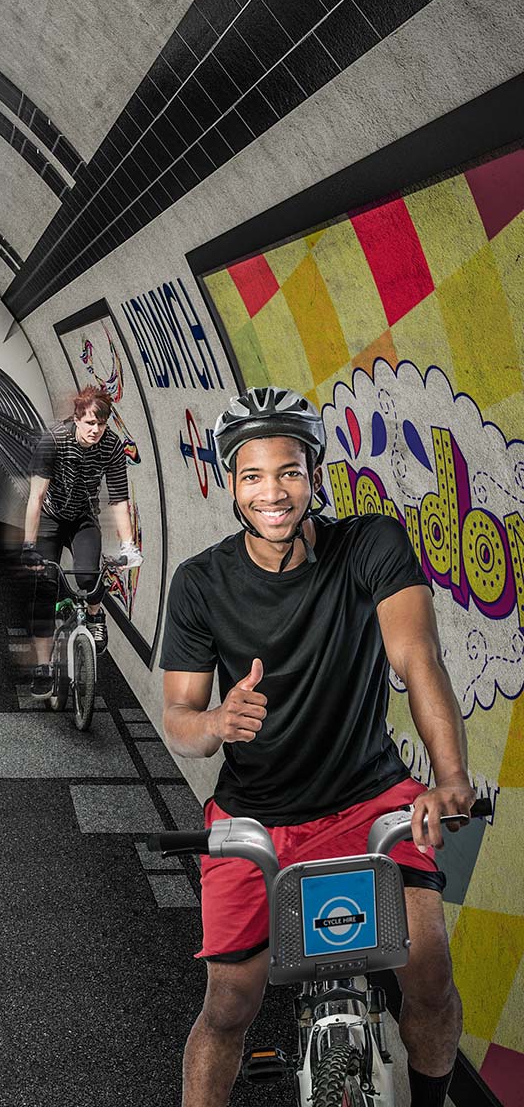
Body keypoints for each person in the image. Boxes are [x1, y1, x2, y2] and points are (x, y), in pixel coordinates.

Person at [159, 387, 477, 1107]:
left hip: (372, 801)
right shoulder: (200, 584)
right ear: (230, 483)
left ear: (315, 474)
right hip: (257, 816)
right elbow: (179, 713)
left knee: (427, 969)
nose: (272, 492)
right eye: (252, 476)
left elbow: (417, 657)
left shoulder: (371, 544)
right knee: (230, 1004)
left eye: (289, 471)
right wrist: (214, 723)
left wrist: (450, 777)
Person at [20, 385, 141, 695]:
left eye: (101, 424)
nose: (96, 430)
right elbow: (36, 496)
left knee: (89, 576)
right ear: (76, 419)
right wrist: (29, 547)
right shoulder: (54, 441)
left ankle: (96, 613)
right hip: (50, 517)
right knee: (45, 588)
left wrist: (129, 546)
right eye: (90, 424)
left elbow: (119, 500)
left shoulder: (112, 446)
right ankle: (43, 665)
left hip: (83, 517)